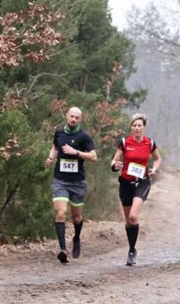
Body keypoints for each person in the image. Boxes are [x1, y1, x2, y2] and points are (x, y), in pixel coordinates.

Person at [45, 106, 97, 263]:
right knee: (60, 213)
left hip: (77, 183)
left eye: (77, 117)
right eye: (71, 116)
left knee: (76, 217)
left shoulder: (84, 136)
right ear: (66, 116)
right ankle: (62, 250)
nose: (73, 119)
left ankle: (76, 237)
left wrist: (77, 153)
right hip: (60, 180)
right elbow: (55, 146)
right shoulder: (59, 132)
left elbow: (94, 157)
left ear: (80, 119)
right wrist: (50, 157)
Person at [109, 113, 162, 266]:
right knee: (128, 221)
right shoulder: (125, 142)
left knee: (133, 216)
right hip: (125, 183)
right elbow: (115, 160)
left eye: (140, 126)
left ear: (143, 127)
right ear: (131, 127)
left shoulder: (149, 143)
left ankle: (132, 251)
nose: (137, 128)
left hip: (142, 182)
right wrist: (115, 166)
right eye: (134, 125)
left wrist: (154, 169)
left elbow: (158, 158)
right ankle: (132, 248)